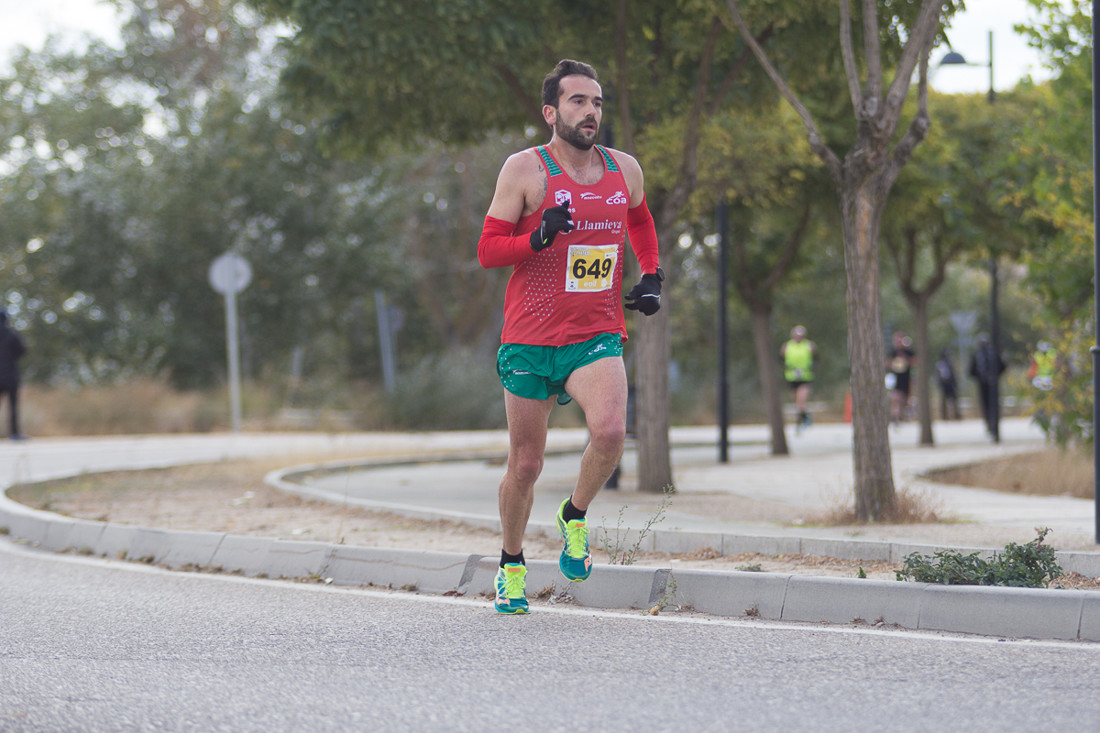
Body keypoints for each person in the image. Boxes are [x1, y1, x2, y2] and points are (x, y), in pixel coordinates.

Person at [477, 59, 663, 615]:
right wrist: (536, 237)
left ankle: (574, 515)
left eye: (597, 102)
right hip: (530, 338)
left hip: (595, 332)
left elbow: (640, 220)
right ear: (551, 112)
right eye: (578, 101)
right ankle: (511, 564)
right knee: (525, 465)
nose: (590, 112)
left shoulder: (623, 169)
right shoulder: (524, 170)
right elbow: (488, 250)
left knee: (610, 433)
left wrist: (651, 275)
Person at [969, 333, 1005, 437]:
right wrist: (980, 377)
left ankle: (994, 425)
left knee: (994, 405)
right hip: (983, 384)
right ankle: (989, 425)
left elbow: (1002, 366)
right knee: (985, 405)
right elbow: (971, 370)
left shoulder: (993, 354)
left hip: (993, 383)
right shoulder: (977, 355)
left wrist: (995, 376)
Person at [780, 325, 816, 429]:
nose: (798, 337)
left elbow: (815, 358)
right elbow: (781, 359)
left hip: (805, 376)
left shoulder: (809, 345)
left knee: (801, 400)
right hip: (791, 377)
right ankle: (805, 417)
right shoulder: (787, 346)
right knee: (796, 401)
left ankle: (803, 420)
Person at [0, 309, 27, 440]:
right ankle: (14, 433)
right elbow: (22, 350)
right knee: (13, 406)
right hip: (10, 375)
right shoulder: (12, 334)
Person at [886, 331, 915, 424]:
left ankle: (903, 415)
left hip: (906, 378)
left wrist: (905, 357)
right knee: (896, 398)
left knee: (906, 399)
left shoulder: (908, 352)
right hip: (896, 378)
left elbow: (914, 362)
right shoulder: (892, 352)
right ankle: (895, 416)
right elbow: (887, 364)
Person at [935, 348, 960, 420]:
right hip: (943, 384)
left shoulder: (950, 363)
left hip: (950, 383)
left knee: (953, 399)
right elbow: (938, 375)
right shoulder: (939, 364)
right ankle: (944, 416)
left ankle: (955, 415)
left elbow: (953, 374)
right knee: (944, 400)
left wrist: (955, 383)